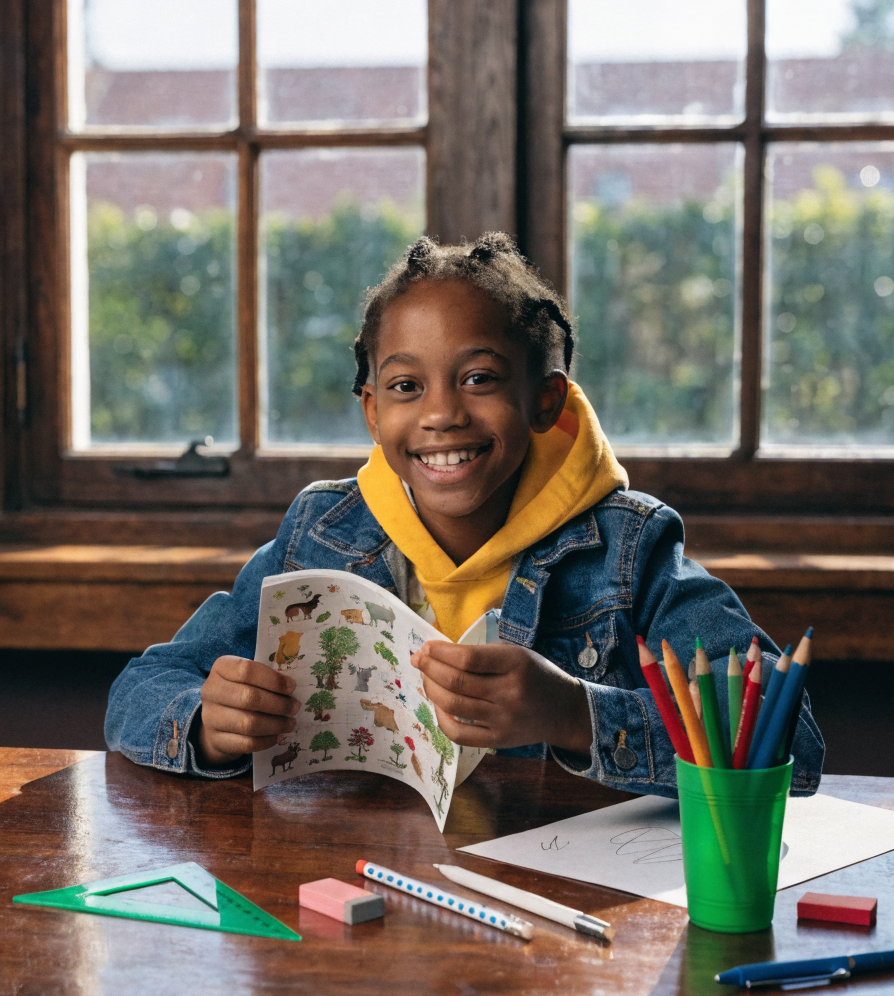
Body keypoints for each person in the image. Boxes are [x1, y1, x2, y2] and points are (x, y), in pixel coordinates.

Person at [105, 233, 823, 797]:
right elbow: (139, 691)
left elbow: (794, 743)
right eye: (406, 386)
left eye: (479, 379)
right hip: (359, 881)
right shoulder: (321, 535)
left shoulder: (628, 548)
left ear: (545, 399)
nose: (443, 414)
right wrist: (206, 722)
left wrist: (575, 715)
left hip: (557, 907)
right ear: (373, 409)